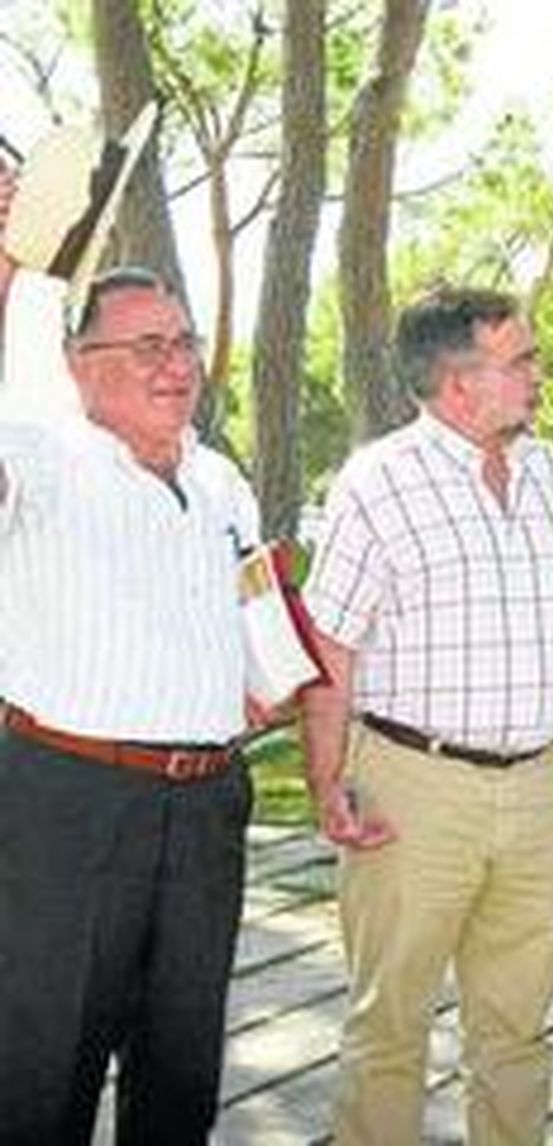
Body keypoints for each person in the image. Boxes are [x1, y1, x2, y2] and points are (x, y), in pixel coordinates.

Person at [0, 181, 261, 1140]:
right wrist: (14, 263)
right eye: (146, 345)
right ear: (79, 365)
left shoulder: (220, 477)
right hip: (68, 806)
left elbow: (255, 619)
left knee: (181, 1073)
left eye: (184, 342)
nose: (175, 364)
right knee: (39, 1072)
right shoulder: (38, 457)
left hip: (205, 812)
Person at [299, 287, 553, 1144]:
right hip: (412, 789)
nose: (540, 374)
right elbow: (331, 647)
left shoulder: (550, 473)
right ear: (460, 387)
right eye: (522, 361)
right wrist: (328, 782)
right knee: (391, 1026)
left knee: (519, 1032)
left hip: (540, 787)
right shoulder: (377, 482)